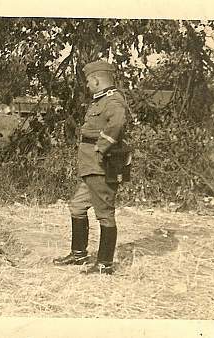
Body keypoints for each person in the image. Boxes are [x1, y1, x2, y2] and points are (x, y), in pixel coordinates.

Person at [53, 60, 130, 275]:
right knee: (76, 207)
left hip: (101, 165)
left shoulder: (113, 100)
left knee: (105, 214)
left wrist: (102, 147)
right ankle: (79, 254)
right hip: (90, 166)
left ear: (96, 80)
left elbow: (117, 124)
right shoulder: (100, 101)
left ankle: (105, 264)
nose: (87, 85)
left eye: (88, 80)